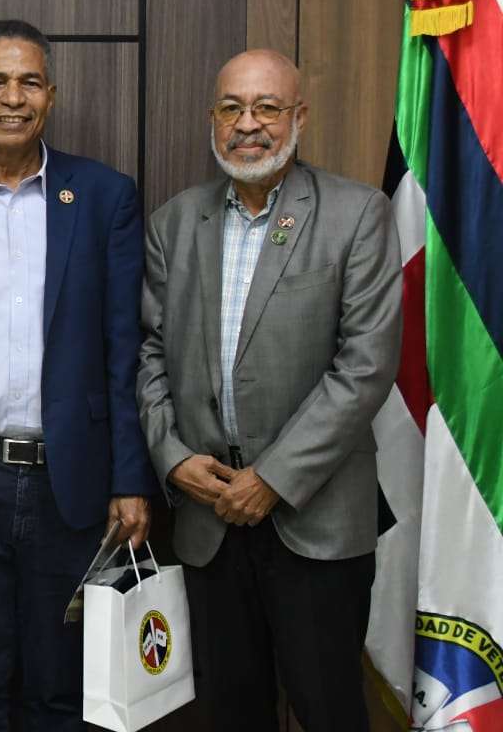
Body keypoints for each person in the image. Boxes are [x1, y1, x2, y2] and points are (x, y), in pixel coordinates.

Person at [137, 48, 401, 730]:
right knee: (230, 712)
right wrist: (173, 458)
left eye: (267, 108)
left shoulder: (357, 214)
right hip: (208, 519)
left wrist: (273, 478)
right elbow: (150, 353)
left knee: (328, 709)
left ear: (298, 117)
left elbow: (365, 365)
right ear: (213, 119)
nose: (248, 124)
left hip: (316, 520)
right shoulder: (174, 223)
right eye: (232, 108)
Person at [0, 19, 159, 730]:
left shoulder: (103, 196)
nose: (12, 98)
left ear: (51, 95)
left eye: (29, 82)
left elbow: (124, 347)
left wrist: (130, 479)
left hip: (71, 487)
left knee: (62, 695)